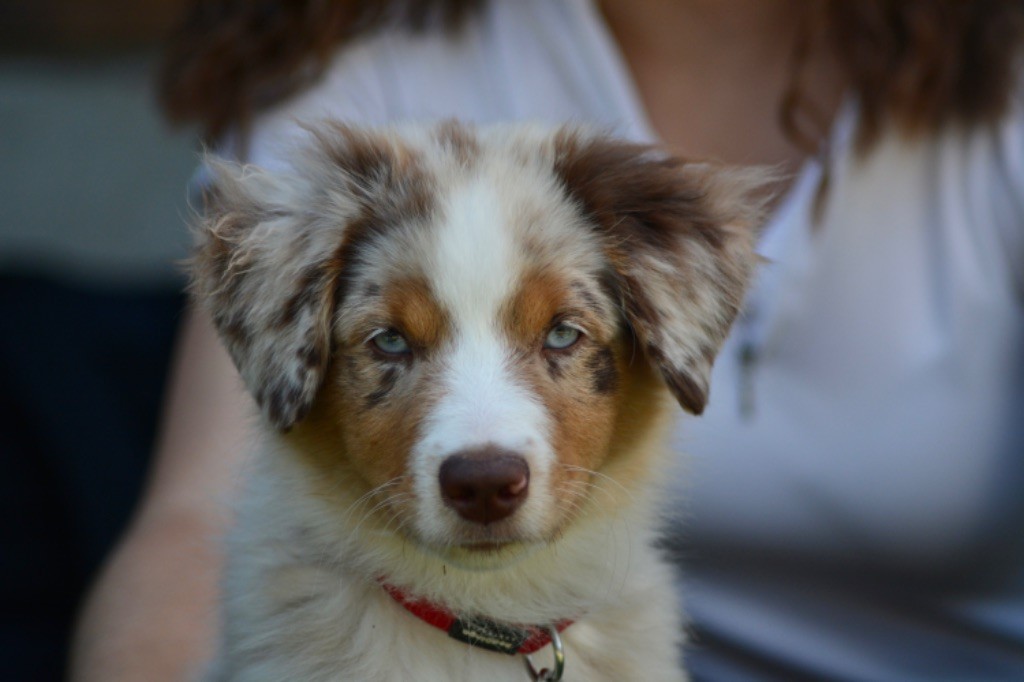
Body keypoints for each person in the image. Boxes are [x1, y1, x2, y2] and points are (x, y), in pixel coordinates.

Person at [70, 1, 1024, 680]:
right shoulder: (371, 65)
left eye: (561, 334)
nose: (484, 438)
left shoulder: (1001, 97)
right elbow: (196, 516)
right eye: (391, 346)